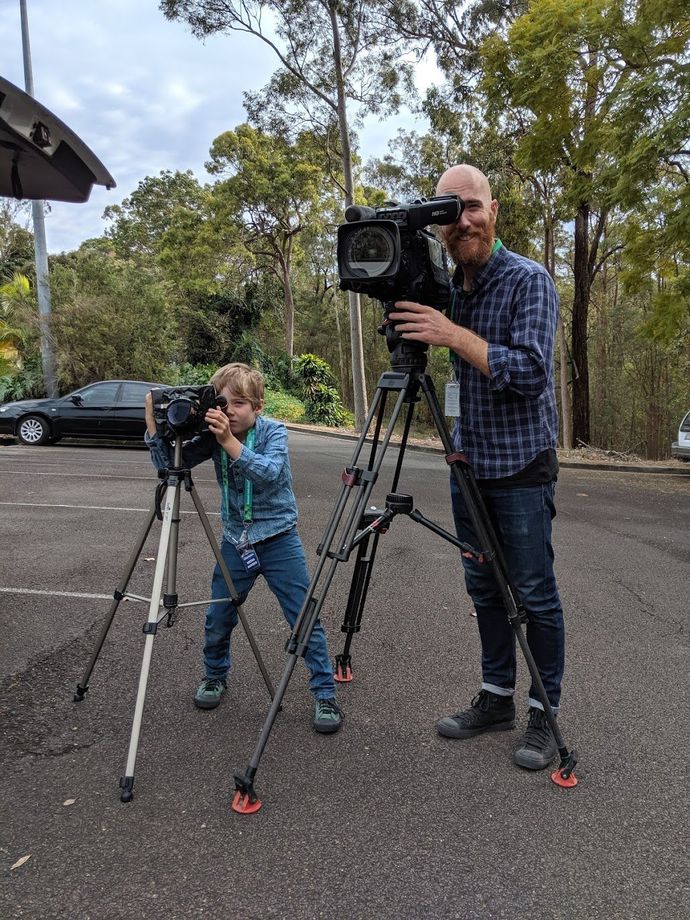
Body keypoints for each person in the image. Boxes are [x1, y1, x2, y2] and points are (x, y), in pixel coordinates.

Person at [389, 164, 565, 770]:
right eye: (448, 212)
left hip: (521, 465)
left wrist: (451, 334)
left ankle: (544, 712)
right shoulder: (447, 286)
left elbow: (530, 372)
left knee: (534, 594)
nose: (462, 220)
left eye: (472, 207)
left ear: (494, 210)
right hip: (469, 465)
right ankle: (496, 698)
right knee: (483, 588)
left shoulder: (527, 281)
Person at [144, 363, 343, 734]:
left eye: (240, 403)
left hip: (279, 538)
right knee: (219, 616)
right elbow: (169, 466)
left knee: (302, 616)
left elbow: (268, 473)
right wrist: (155, 427)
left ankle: (325, 693)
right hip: (236, 542)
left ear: (258, 407)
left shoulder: (274, 433)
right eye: (223, 402)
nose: (230, 410)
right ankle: (214, 675)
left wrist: (228, 443)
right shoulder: (214, 434)